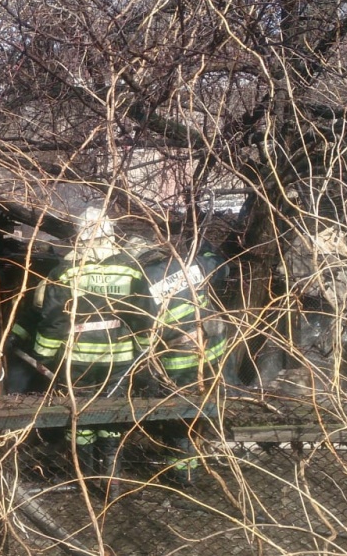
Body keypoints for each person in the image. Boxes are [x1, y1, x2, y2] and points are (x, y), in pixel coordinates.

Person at [30, 206, 144, 501]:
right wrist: (144, 347)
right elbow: (144, 313)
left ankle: (82, 476)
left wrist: (44, 355)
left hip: (78, 359)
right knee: (112, 413)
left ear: (79, 235)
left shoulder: (66, 271)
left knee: (79, 416)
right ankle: (111, 479)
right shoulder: (131, 268)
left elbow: (53, 319)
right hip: (119, 358)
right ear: (112, 234)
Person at [128, 238, 231, 486]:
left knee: (180, 417)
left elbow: (144, 330)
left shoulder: (145, 281)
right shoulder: (190, 264)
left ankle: (183, 474)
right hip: (214, 352)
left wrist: (144, 360)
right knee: (205, 408)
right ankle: (197, 458)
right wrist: (207, 250)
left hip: (180, 361)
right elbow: (222, 267)